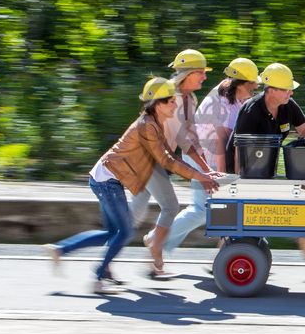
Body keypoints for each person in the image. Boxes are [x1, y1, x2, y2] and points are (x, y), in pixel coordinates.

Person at [44, 77, 220, 294]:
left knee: (112, 232)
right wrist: (201, 176)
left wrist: (202, 173)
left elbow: (171, 156)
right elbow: (167, 161)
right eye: (171, 101)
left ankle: (61, 250)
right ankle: (98, 279)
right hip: (106, 181)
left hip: (106, 179)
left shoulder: (155, 124)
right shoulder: (147, 126)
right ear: (158, 103)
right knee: (124, 231)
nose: (175, 104)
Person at [130, 49, 219, 278]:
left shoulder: (190, 98)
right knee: (167, 207)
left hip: (159, 159)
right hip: (148, 158)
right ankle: (152, 252)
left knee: (134, 215)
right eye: (200, 72)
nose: (204, 77)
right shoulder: (170, 96)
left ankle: (143, 255)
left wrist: (205, 166)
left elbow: (189, 137)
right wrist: (201, 170)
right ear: (187, 74)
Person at [163, 58, 260, 255]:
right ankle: (158, 241)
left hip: (212, 157)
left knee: (227, 208)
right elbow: (219, 144)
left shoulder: (238, 97)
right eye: (253, 83)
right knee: (203, 209)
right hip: (201, 158)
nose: (256, 87)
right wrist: (221, 177)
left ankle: (227, 254)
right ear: (241, 83)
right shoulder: (221, 104)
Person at [235, 62, 305, 260]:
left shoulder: (288, 106)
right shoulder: (251, 110)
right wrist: (237, 182)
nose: (291, 93)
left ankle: (238, 255)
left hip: (265, 167)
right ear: (271, 90)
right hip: (244, 166)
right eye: (287, 89)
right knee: (251, 212)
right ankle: (236, 256)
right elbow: (239, 147)